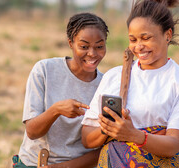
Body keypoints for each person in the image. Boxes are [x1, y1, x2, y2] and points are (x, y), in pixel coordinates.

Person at [81, 0, 179, 168]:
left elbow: (172, 145)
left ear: (168, 35)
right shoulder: (115, 76)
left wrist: (132, 135)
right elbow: (87, 138)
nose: (138, 46)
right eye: (133, 39)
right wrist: (109, 128)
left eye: (146, 38)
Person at [13, 13, 110, 168]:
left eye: (99, 46)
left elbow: (103, 149)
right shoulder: (45, 70)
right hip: (34, 163)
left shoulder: (106, 86)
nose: (92, 53)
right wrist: (56, 110)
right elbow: (32, 132)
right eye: (84, 47)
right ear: (70, 43)